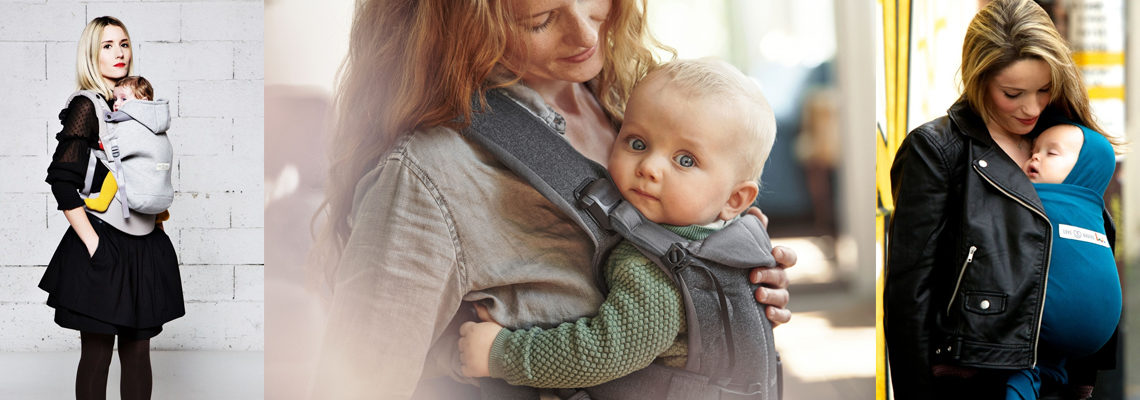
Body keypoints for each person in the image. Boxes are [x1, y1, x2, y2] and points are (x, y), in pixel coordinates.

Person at [309, 0, 796, 398]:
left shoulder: (630, 95)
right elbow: (354, 383)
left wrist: (736, 276)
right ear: (461, 24)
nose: (586, 36)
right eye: (540, 20)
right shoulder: (426, 177)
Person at [455, 58, 777, 387]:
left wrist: (501, 353)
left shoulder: (655, 275)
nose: (650, 166)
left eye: (685, 160)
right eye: (637, 143)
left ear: (734, 200)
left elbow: (602, 353)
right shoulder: (728, 234)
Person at [885, 0, 1125, 399]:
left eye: (1044, 89)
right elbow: (909, 296)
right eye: (1012, 93)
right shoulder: (937, 150)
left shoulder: (1066, 144)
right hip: (972, 381)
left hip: (1057, 381)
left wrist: (1082, 378)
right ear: (978, 80)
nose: (1032, 107)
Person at [38, 16, 184, 400]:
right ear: (92, 54)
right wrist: (93, 245)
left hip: (145, 243)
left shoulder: (136, 105)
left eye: (124, 44)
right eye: (107, 46)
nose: (119, 52)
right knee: (98, 353)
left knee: (138, 354)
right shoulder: (87, 105)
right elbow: (61, 180)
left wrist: (157, 232)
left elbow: (147, 177)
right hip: (104, 242)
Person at [1004, 123, 1121, 400]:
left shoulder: (1045, 203)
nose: (1035, 157)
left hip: (1041, 342)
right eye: (1033, 151)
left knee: (1023, 365)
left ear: (1086, 169)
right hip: (1066, 354)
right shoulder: (1095, 217)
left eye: (1051, 153)